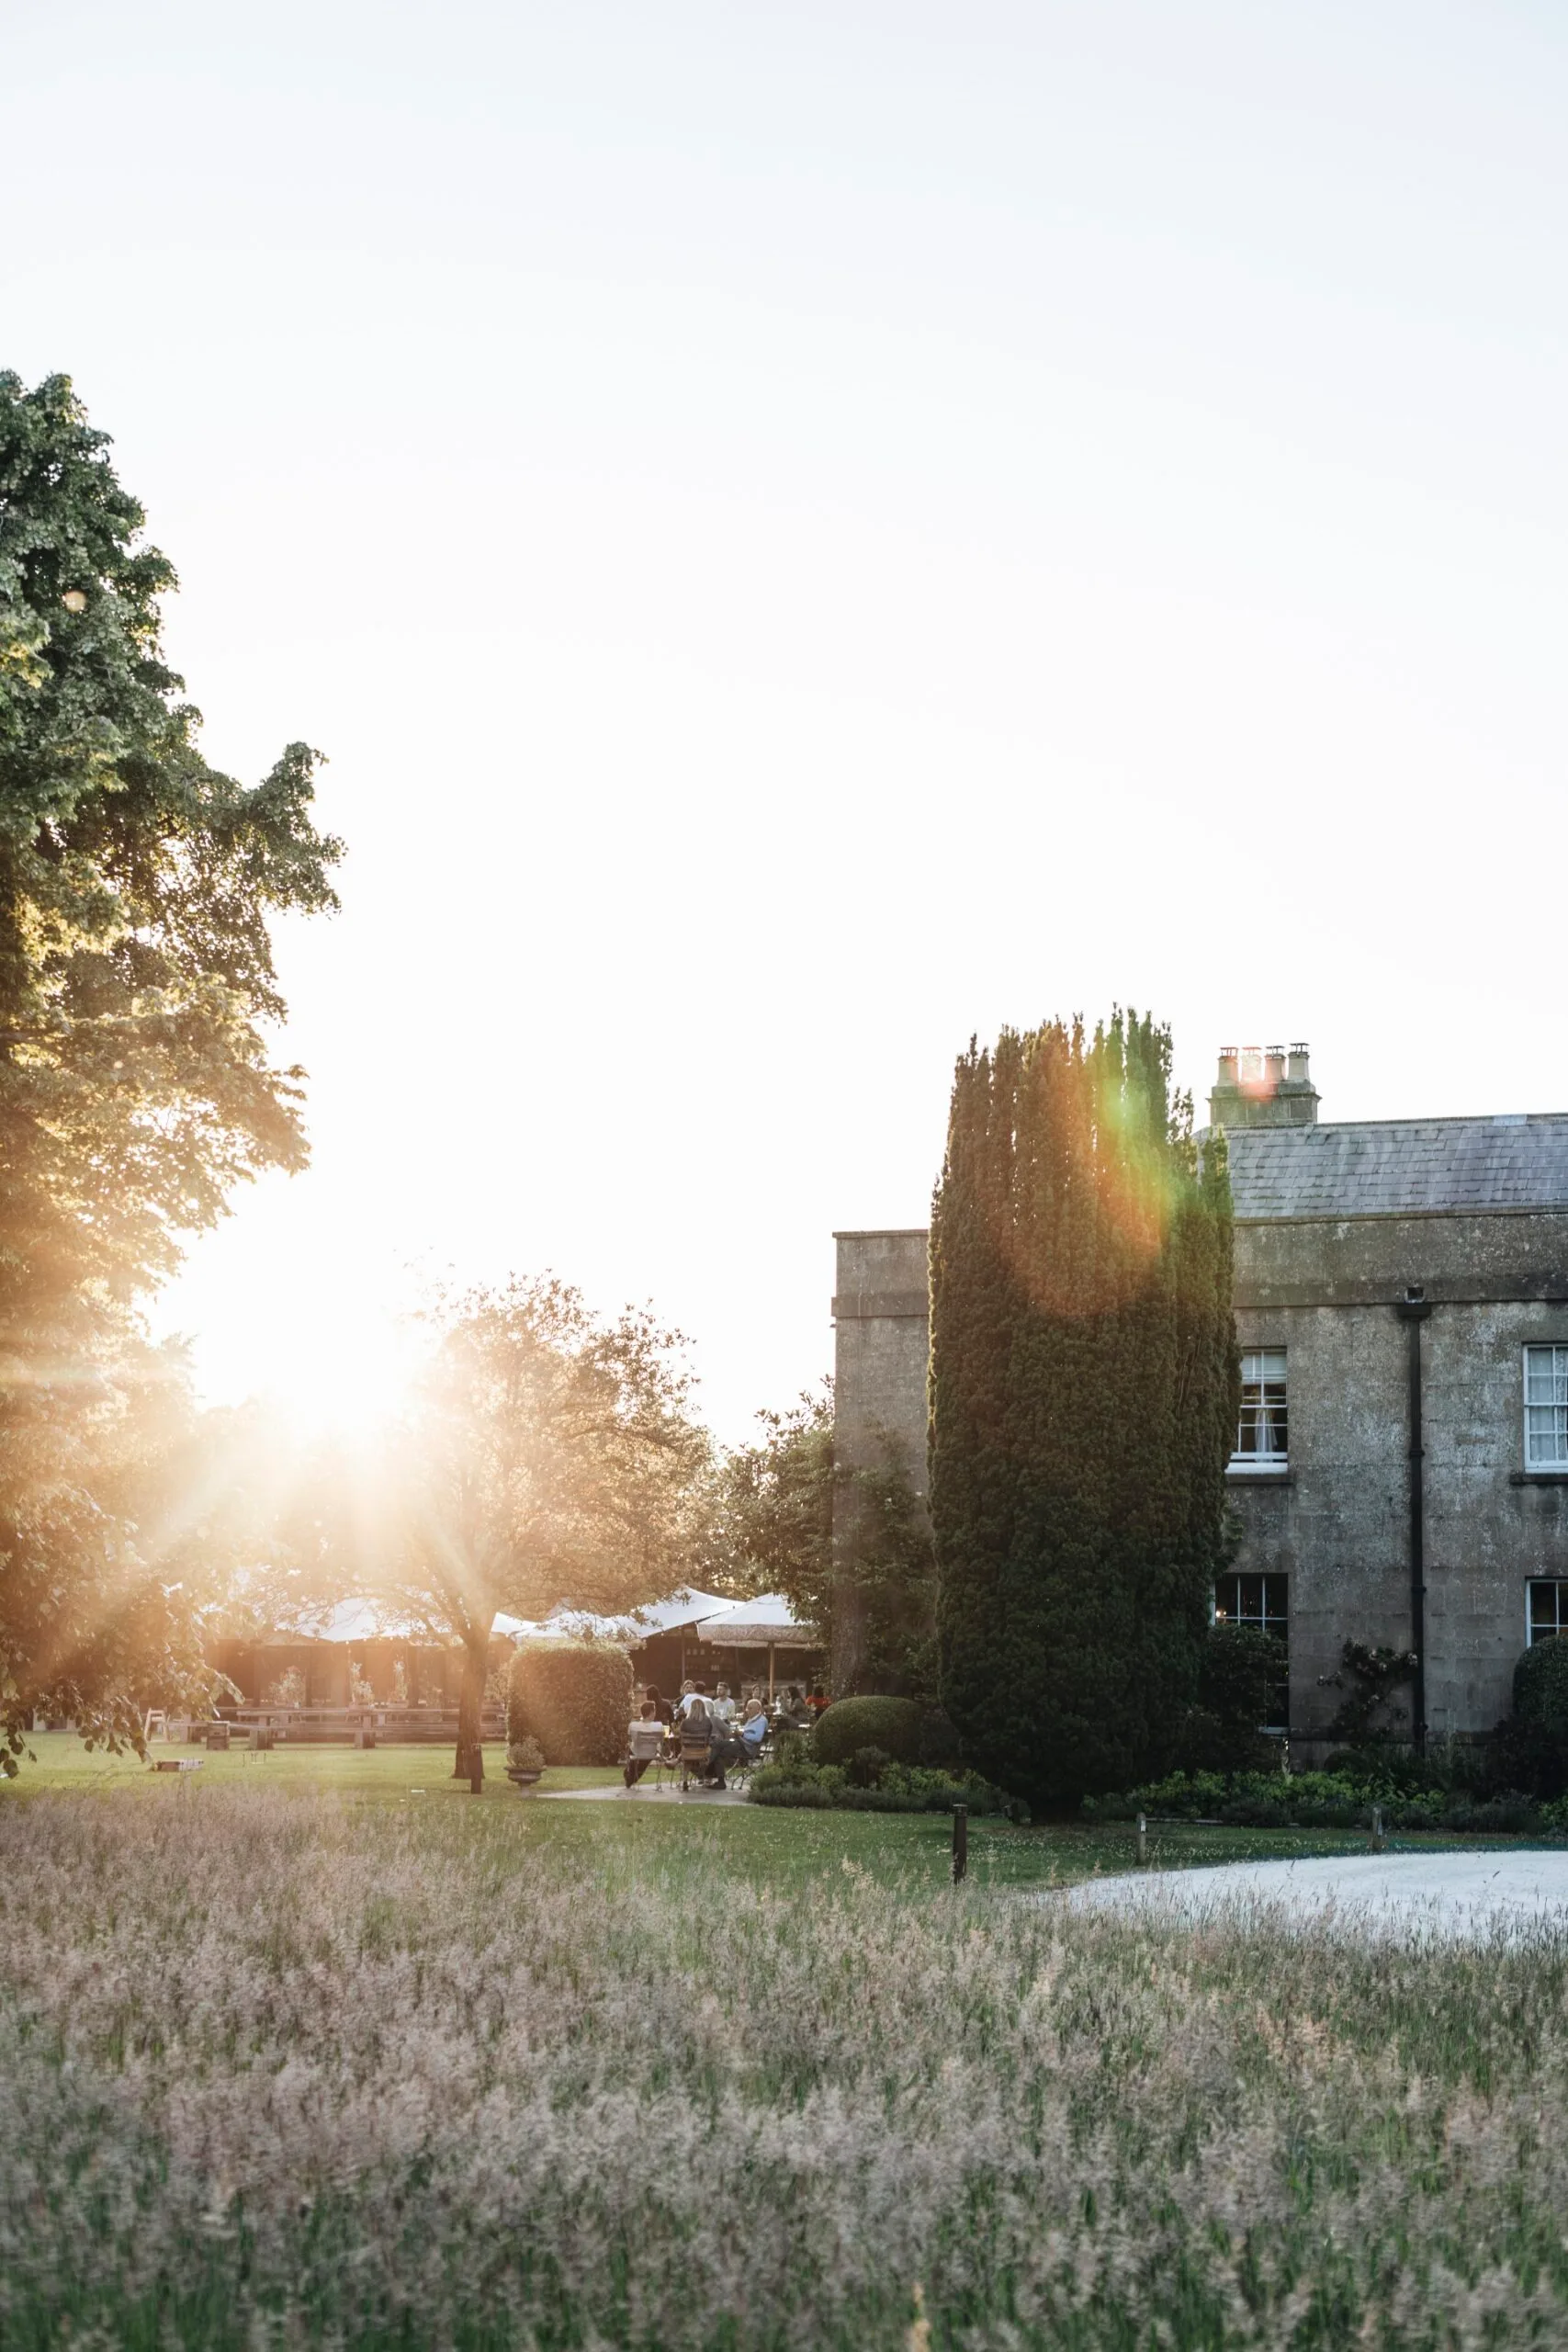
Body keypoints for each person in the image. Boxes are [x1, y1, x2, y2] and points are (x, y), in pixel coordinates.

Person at [706, 1696, 769, 1788]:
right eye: (747, 1707)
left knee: (719, 1753)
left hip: (747, 1748)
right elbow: (747, 1731)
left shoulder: (761, 1721)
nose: (747, 1710)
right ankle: (708, 1770)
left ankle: (712, 1775)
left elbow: (757, 1738)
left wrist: (742, 1734)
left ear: (758, 1709)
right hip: (741, 1743)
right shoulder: (752, 1719)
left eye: (750, 1708)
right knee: (717, 1743)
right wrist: (738, 1733)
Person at [624, 1702, 664, 1787]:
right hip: (651, 1753)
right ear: (651, 1712)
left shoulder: (633, 1725)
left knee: (631, 1748)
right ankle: (631, 1777)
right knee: (641, 1764)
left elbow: (629, 1737)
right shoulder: (659, 1726)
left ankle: (630, 1775)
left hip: (637, 1752)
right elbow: (662, 1740)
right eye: (654, 1711)